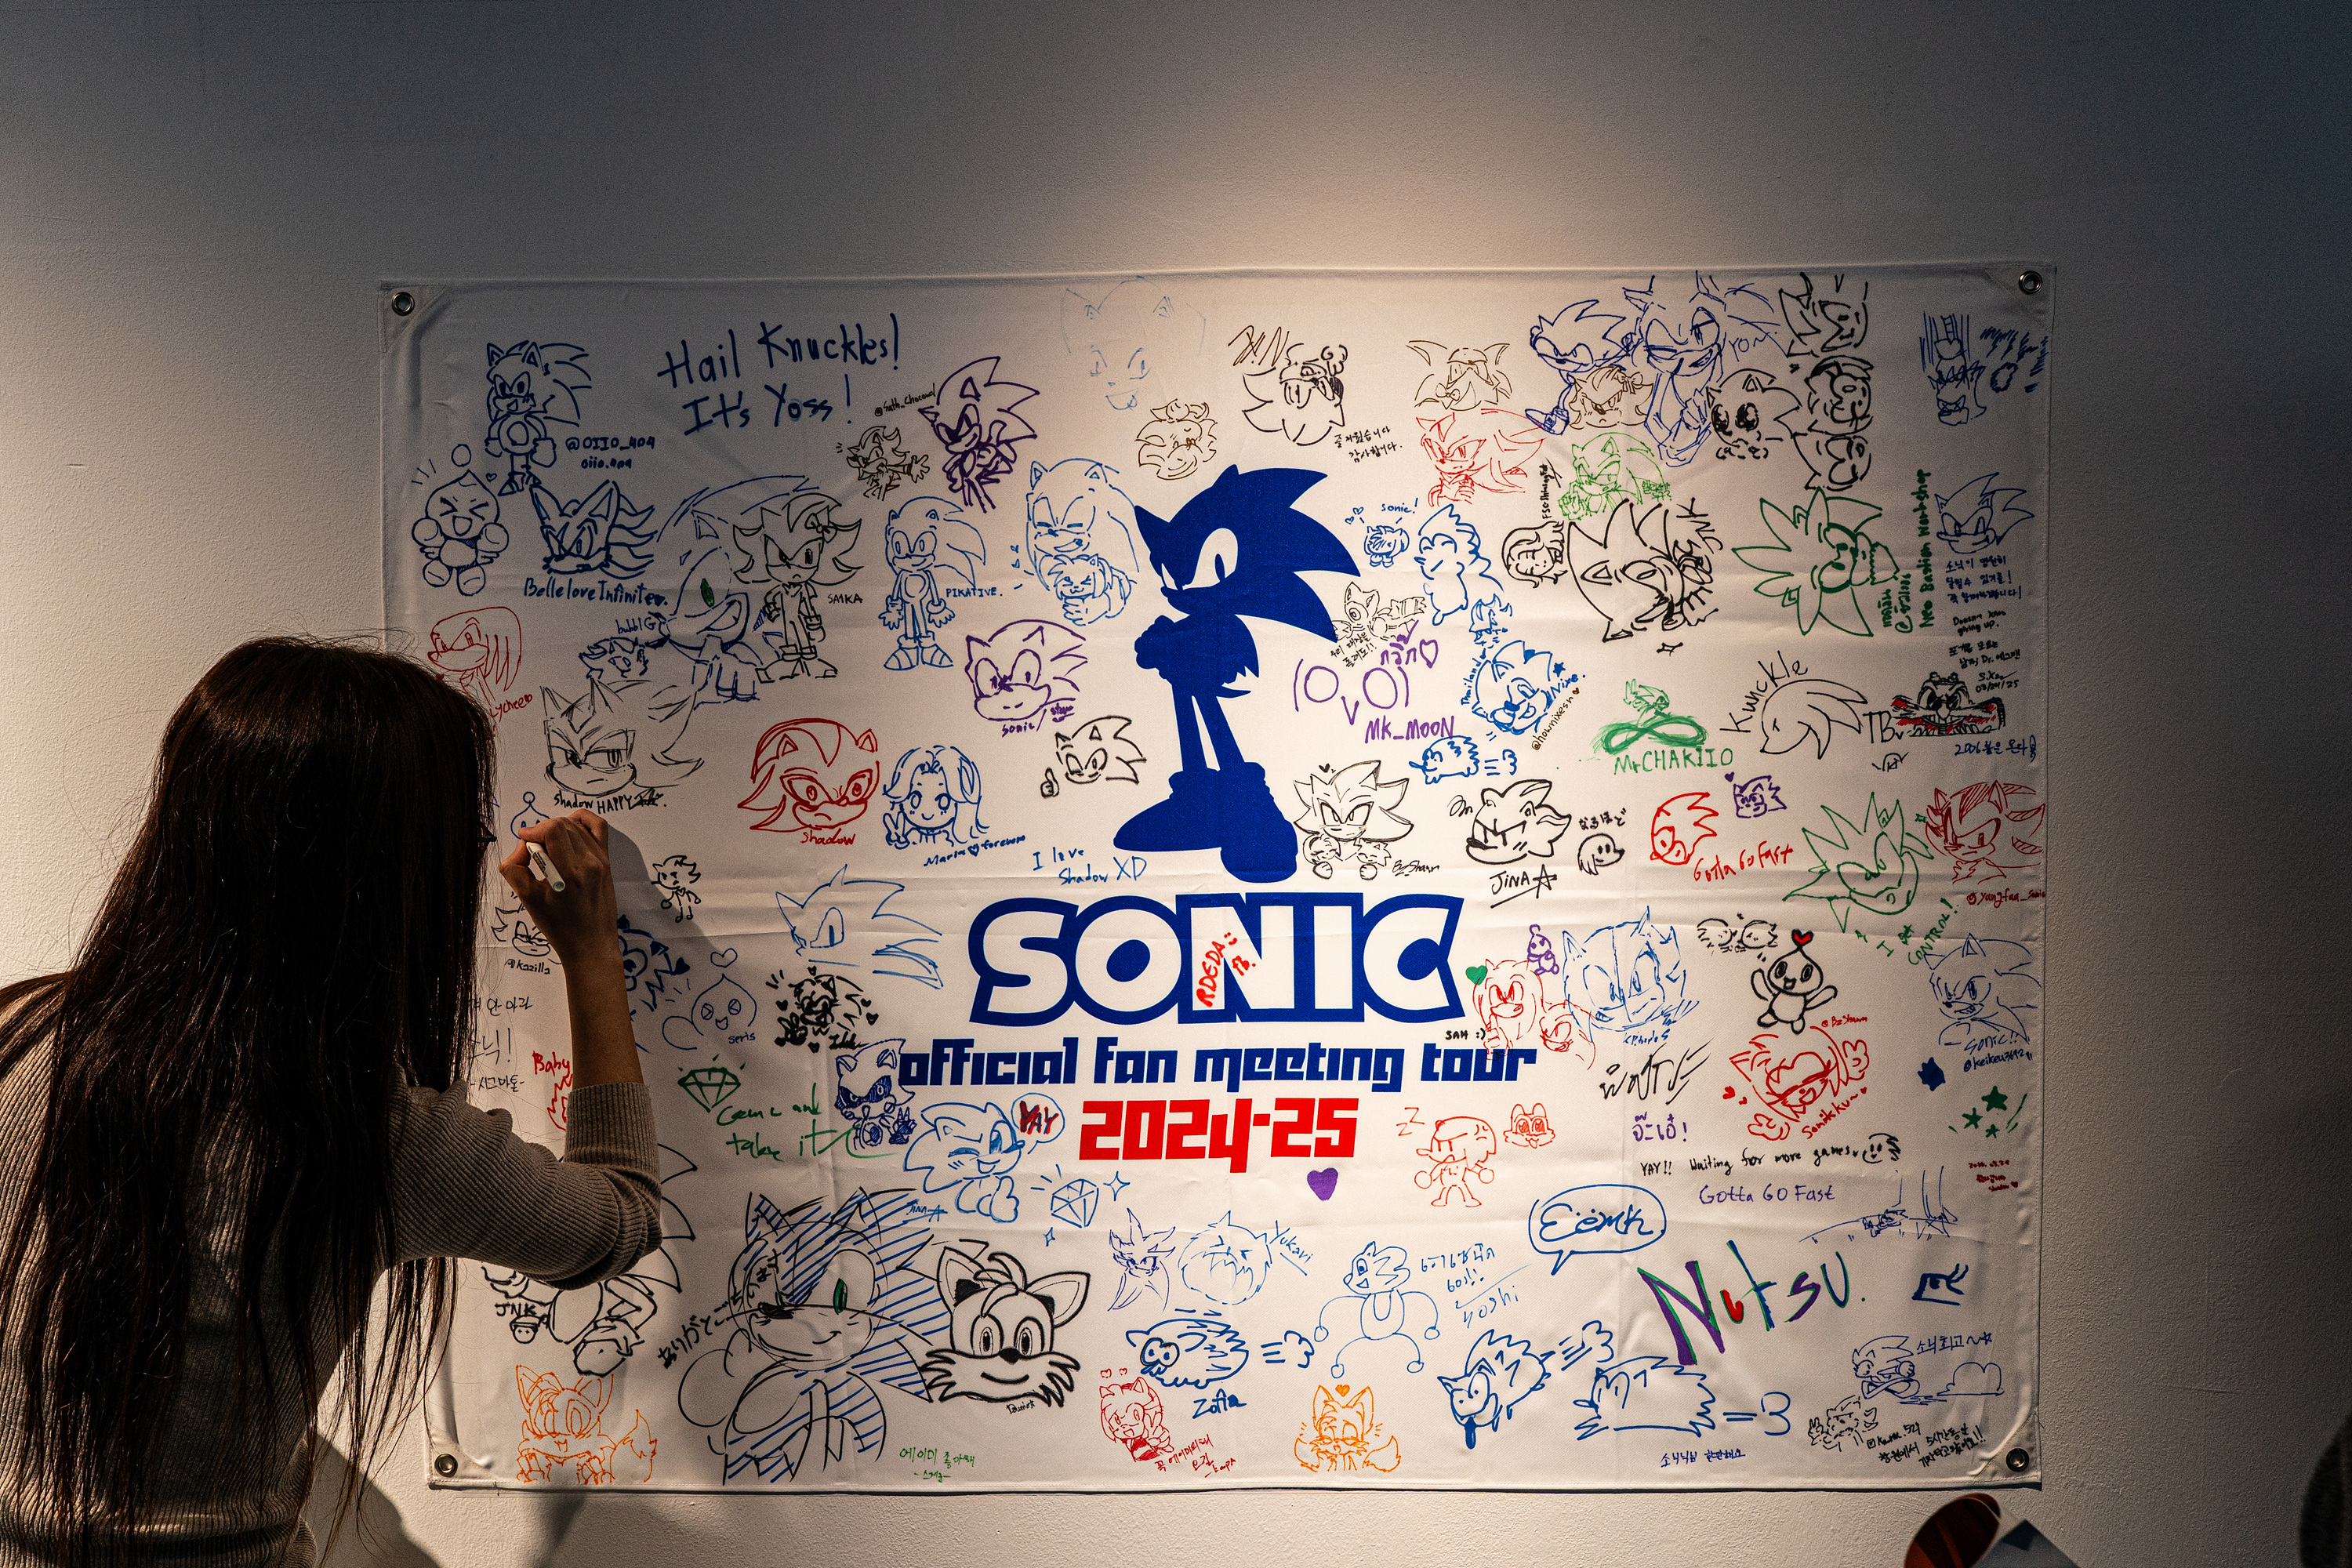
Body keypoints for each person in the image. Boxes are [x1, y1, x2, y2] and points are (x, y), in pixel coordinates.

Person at [0, 638, 661, 1566]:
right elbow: (620, 1218)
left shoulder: (21, 1028)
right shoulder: (374, 1136)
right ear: (393, 877)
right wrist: (590, 950)